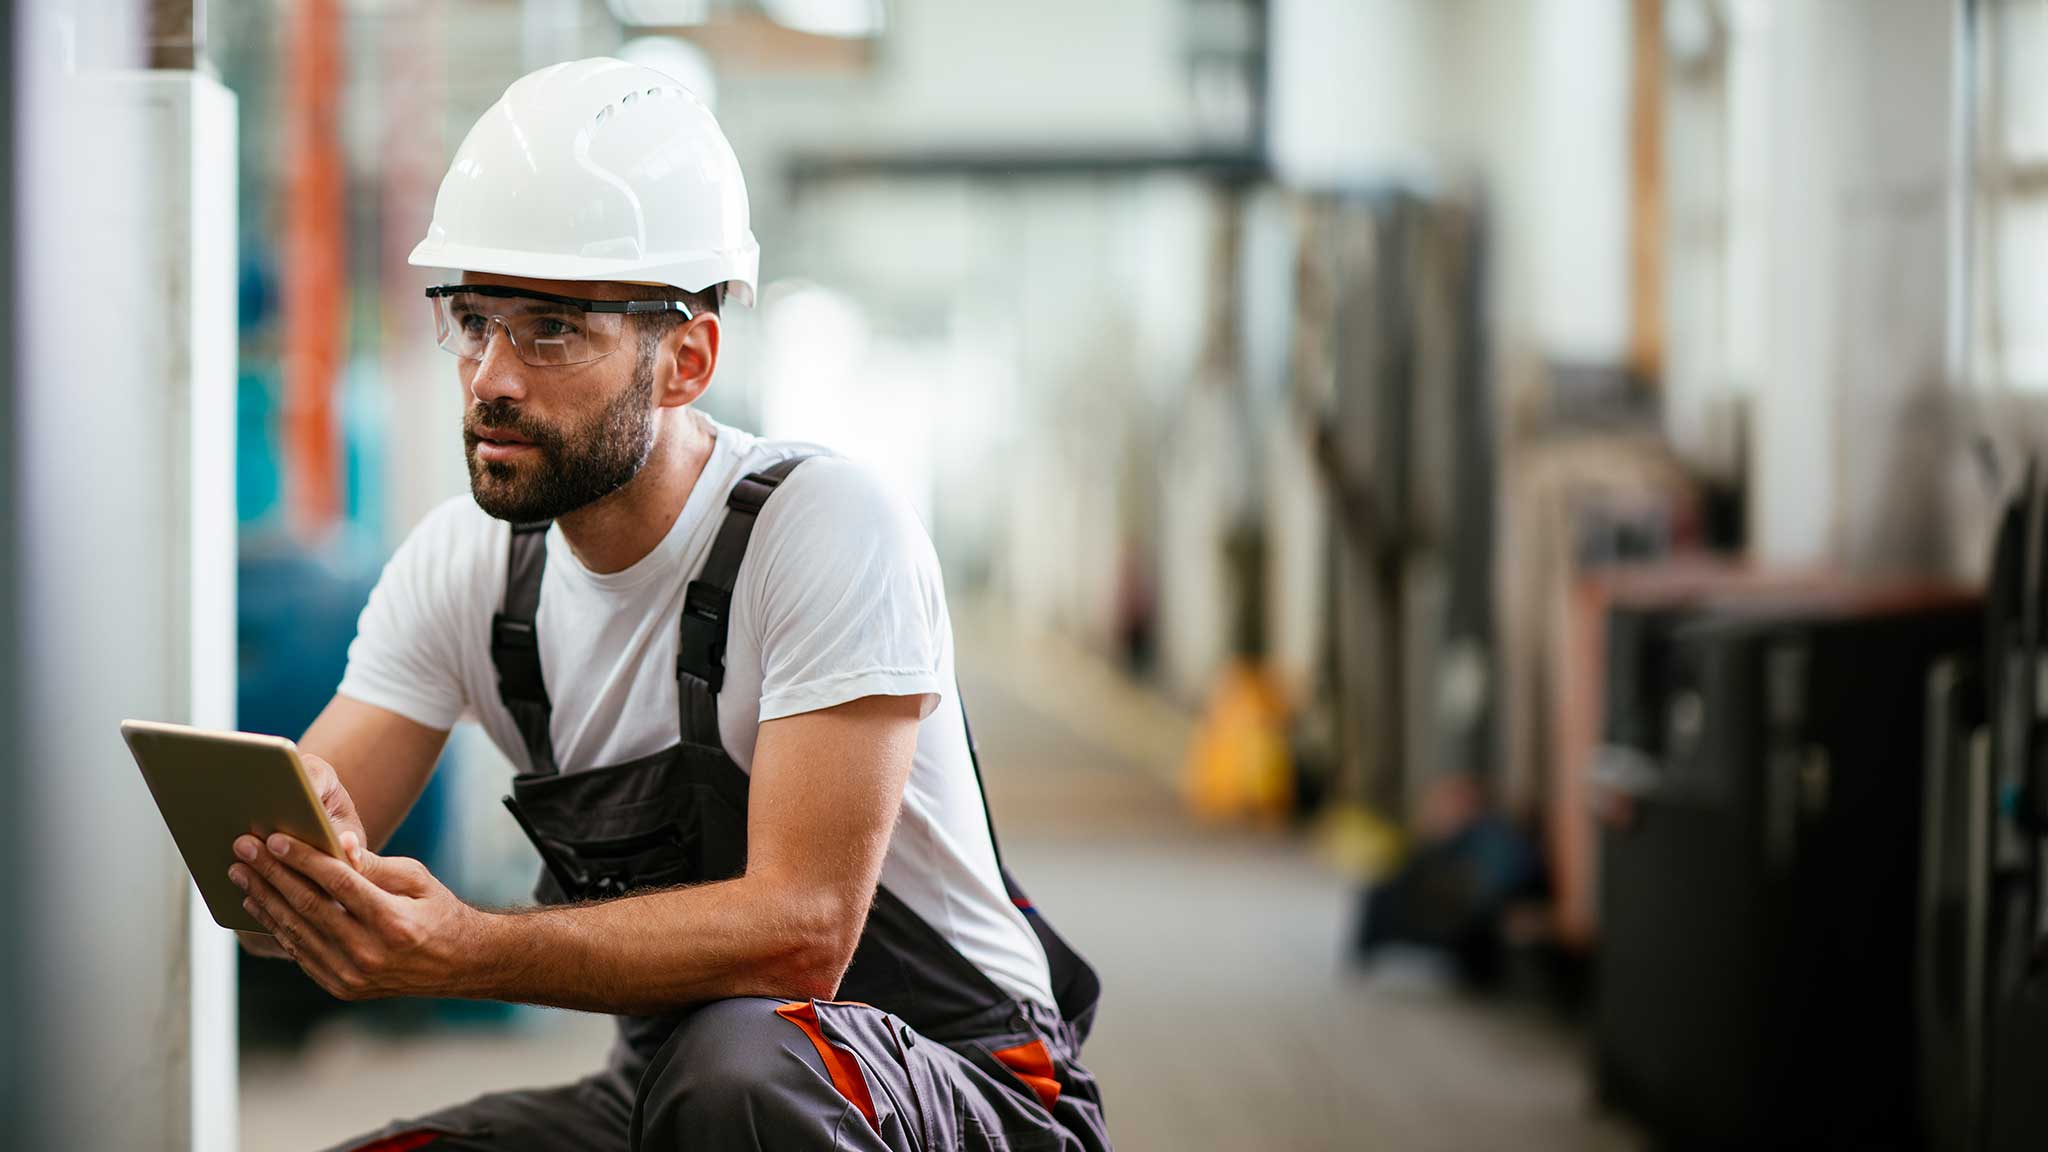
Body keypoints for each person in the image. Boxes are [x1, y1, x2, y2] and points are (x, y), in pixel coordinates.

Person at [227, 57, 1108, 1152]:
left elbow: (801, 938)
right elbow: (312, 824)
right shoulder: (468, 564)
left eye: (551, 330)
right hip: (674, 1092)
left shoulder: (823, 529)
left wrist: (461, 947)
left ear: (685, 359)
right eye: (474, 318)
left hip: (956, 1089)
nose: (492, 376)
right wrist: (295, 881)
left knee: (739, 1073)